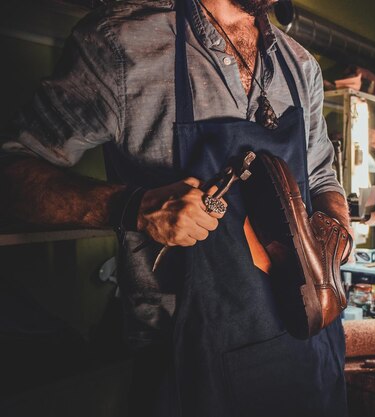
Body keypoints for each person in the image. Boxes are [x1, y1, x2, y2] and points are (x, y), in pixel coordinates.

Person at [0, 0, 351, 415]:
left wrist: (330, 243)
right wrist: (132, 206)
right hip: (191, 367)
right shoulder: (122, 44)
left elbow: (323, 176)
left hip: (306, 354)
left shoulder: (299, 65)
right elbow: (13, 174)